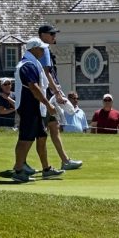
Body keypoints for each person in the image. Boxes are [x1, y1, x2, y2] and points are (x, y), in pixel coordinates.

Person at [11, 38, 64, 182]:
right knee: (26, 139)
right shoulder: (27, 65)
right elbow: (34, 88)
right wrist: (48, 105)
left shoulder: (33, 64)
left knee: (42, 136)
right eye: (40, 48)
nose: (43, 51)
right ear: (33, 49)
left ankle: (46, 169)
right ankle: (18, 170)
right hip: (28, 107)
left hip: (35, 107)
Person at [38, 25, 82, 171]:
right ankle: (22, 164)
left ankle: (65, 160)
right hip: (45, 97)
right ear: (43, 35)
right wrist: (57, 92)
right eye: (51, 34)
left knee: (54, 127)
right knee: (40, 133)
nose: (54, 37)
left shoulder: (44, 49)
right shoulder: (43, 49)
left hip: (48, 96)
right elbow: (46, 73)